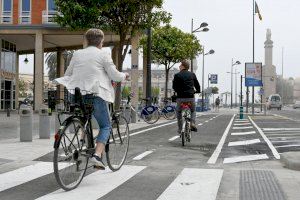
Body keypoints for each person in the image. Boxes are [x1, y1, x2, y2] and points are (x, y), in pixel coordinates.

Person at [55, 29, 129, 169]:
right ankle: (97, 155)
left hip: (76, 95)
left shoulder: (77, 54)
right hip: (96, 94)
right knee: (105, 126)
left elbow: (68, 74)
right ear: (101, 42)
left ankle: (82, 142)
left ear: (87, 40)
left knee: (85, 117)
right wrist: (125, 75)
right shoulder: (103, 55)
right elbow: (115, 76)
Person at [172, 60, 201, 133]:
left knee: (178, 112)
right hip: (190, 97)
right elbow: (197, 85)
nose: (179, 66)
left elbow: (174, 87)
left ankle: (180, 128)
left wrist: (177, 91)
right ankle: (192, 123)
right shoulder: (192, 75)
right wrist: (197, 91)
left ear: (183, 66)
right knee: (193, 110)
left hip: (180, 98)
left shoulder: (177, 75)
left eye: (180, 65)